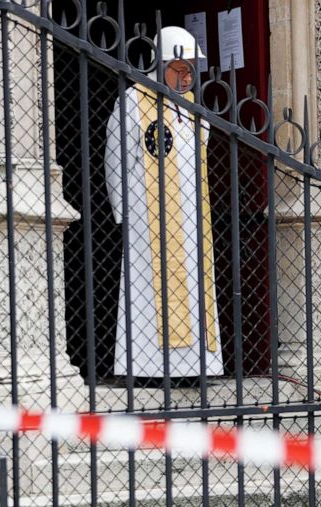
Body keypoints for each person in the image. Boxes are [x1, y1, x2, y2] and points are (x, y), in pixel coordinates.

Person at [104, 26, 223, 379]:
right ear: (163, 65)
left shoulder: (194, 111)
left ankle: (194, 366)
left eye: (190, 70)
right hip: (147, 216)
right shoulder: (133, 101)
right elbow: (115, 158)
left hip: (191, 215)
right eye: (179, 68)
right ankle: (146, 366)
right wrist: (122, 210)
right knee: (146, 289)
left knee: (195, 287)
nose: (186, 76)